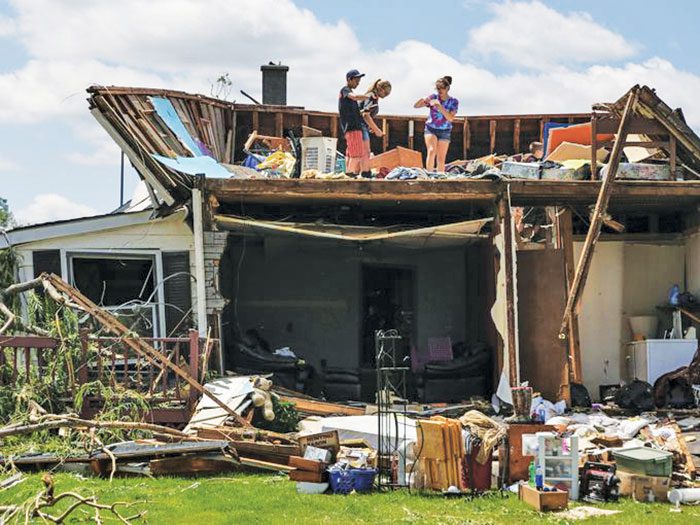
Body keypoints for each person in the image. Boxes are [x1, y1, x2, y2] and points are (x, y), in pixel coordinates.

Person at [414, 76, 458, 172]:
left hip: (445, 131)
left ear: (447, 88)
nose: (440, 91)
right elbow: (416, 106)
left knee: (441, 158)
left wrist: (439, 106)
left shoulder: (453, 101)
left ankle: (440, 178)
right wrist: (423, 99)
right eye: (438, 88)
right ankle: (429, 176)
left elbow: (450, 118)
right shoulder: (433, 97)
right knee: (431, 150)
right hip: (431, 128)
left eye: (442, 88)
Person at [338, 69, 369, 177]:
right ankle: (349, 177)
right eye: (356, 80)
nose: (358, 83)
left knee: (351, 154)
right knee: (357, 154)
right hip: (353, 128)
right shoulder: (345, 90)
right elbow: (355, 97)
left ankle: (348, 175)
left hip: (352, 128)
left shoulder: (349, 97)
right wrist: (368, 96)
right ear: (349, 79)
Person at [359, 79, 392, 177]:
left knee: (361, 151)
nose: (386, 96)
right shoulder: (371, 97)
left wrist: (370, 127)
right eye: (386, 93)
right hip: (360, 125)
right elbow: (365, 114)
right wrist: (376, 129)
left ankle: (362, 172)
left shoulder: (372, 97)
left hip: (361, 125)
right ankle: (365, 173)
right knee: (365, 151)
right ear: (380, 89)